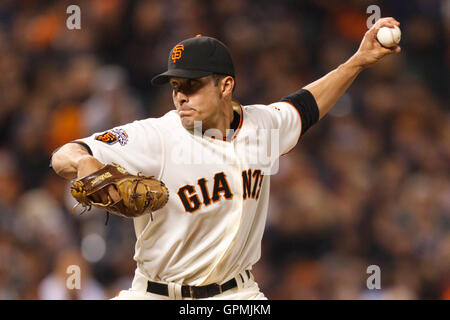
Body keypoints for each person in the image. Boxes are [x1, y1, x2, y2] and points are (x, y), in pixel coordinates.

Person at [51, 17, 401, 300]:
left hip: (235, 296)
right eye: (176, 87)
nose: (180, 96)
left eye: (192, 86)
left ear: (226, 86)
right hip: (156, 293)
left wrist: (357, 61)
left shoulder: (263, 125)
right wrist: (84, 163)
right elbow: (65, 154)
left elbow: (307, 105)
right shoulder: (156, 135)